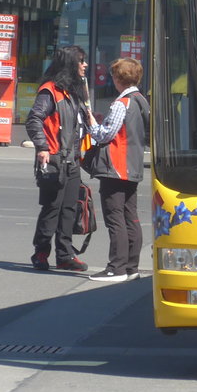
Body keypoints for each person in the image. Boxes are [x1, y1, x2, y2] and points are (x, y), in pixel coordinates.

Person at [83, 58, 150, 282]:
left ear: (118, 78)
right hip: (132, 165)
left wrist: (91, 124)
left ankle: (116, 268)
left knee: (115, 217)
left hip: (116, 165)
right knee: (130, 216)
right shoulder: (141, 101)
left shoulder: (123, 103)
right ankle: (132, 267)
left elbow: (106, 134)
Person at [24, 45, 90, 272]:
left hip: (72, 160)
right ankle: (41, 253)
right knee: (52, 208)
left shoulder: (73, 92)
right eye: (81, 61)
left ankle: (65, 255)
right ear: (70, 64)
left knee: (70, 209)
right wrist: (42, 147)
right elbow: (34, 120)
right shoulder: (50, 91)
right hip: (53, 159)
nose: (85, 65)